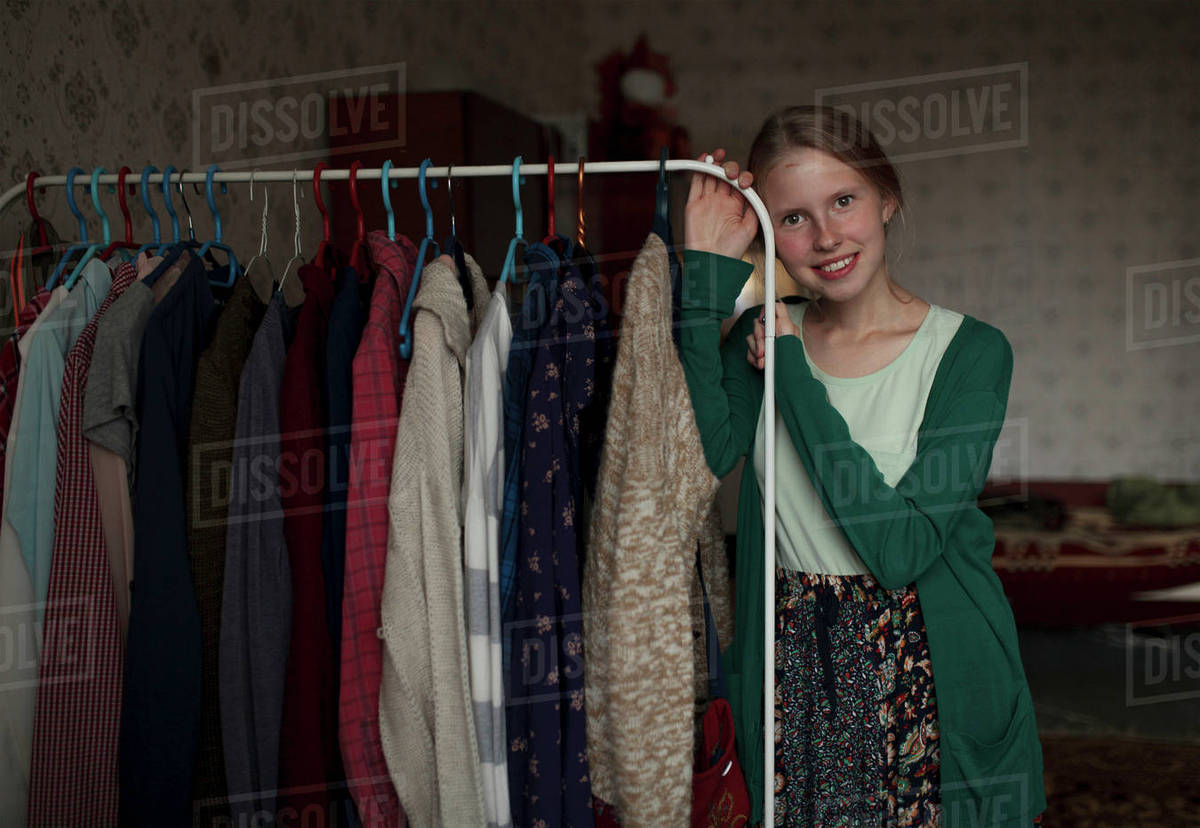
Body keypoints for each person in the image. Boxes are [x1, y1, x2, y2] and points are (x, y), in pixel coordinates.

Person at [680, 105, 1046, 826]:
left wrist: (792, 375)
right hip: (790, 664)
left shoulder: (971, 354)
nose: (824, 238)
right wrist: (703, 271)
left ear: (887, 197)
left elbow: (900, 548)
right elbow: (695, 460)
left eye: (843, 201)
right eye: (792, 218)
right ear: (767, 230)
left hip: (926, 661)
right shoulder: (760, 337)